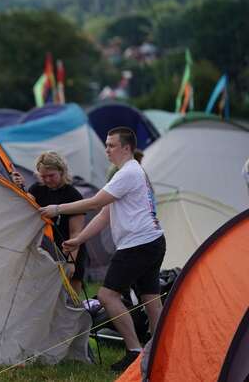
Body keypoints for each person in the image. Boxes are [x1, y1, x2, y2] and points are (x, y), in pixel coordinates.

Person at [39, 127, 165, 372]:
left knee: (107, 296)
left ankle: (134, 351)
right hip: (152, 241)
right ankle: (161, 348)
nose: (106, 149)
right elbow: (105, 213)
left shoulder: (128, 172)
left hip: (137, 245)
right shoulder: (130, 172)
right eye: (106, 145)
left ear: (126, 148)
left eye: (111, 145)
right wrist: (79, 239)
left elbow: (96, 202)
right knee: (150, 299)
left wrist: (57, 209)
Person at [27, 152, 85, 294]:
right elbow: (23, 210)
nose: (47, 179)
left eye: (51, 175)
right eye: (43, 176)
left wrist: (71, 262)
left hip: (70, 250)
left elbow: (76, 233)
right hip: (45, 251)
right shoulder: (36, 190)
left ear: (61, 171)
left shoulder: (73, 195)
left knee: (72, 297)